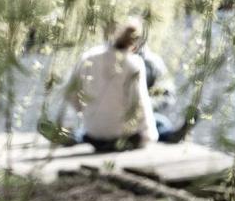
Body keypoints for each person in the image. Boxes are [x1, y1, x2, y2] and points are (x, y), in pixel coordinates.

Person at [39, 19, 174, 151]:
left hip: (94, 134)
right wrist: (149, 137)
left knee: (88, 129)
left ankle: (75, 136)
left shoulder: (89, 56)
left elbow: (69, 91)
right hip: (124, 137)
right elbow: (140, 105)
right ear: (135, 45)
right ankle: (169, 135)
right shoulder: (134, 63)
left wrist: (82, 110)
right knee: (161, 123)